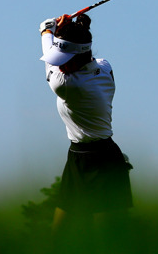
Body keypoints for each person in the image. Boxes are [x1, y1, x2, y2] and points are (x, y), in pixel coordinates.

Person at [39, 13, 133, 236]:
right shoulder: (104, 66)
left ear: (80, 57)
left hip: (103, 161)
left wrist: (47, 30)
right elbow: (64, 51)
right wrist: (68, 30)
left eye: (65, 60)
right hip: (77, 157)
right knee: (60, 233)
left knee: (108, 237)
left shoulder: (67, 85)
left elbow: (48, 53)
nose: (59, 65)